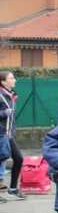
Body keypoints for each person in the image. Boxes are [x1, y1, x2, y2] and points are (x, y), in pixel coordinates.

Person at [0, 72, 24, 200]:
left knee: (18, 159)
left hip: (8, 134)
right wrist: (4, 113)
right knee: (2, 158)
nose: (14, 80)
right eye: (11, 78)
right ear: (3, 82)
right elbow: (4, 114)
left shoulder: (11, 95)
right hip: (1, 133)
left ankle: (13, 189)